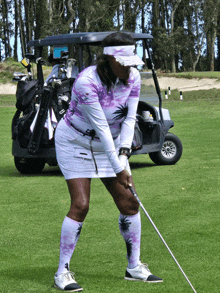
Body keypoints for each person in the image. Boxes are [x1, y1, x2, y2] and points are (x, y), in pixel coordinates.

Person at [54, 32, 163, 292]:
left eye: (132, 62)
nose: (129, 67)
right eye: (123, 62)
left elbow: (128, 120)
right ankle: (62, 272)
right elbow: (101, 127)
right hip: (75, 143)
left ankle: (133, 266)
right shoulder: (86, 82)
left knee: (129, 202)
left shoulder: (133, 78)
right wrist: (119, 168)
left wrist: (123, 156)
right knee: (80, 205)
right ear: (109, 60)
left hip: (110, 146)